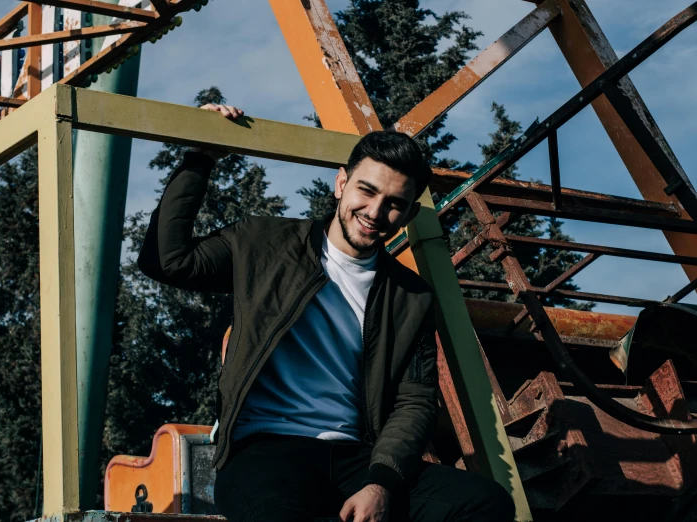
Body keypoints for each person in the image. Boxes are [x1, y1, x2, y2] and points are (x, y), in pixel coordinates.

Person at [137, 103, 515, 522]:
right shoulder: (264, 242)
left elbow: (415, 401)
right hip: (264, 451)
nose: (374, 212)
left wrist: (381, 483)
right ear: (341, 183)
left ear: (408, 214)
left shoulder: (410, 296)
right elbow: (166, 260)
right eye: (366, 191)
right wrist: (199, 158)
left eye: (394, 204)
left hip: (357, 458)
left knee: (485, 503)